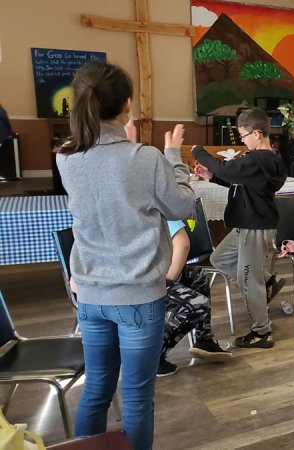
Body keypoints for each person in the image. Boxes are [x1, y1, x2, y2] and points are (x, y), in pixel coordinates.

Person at [57, 61, 195, 450]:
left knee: (97, 388)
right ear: (127, 105)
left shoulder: (66, 157)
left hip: (90, 295)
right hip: (138, 296)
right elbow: (182, 206)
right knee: (135, 396)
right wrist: (173, 155)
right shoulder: (146, 159)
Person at [193, 108, 287, 349]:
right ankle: (267, 281)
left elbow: (228, 170)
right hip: (247, 225)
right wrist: (211, 177)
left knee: (248, 281)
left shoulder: (260, 159)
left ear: (257, 134)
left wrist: (198, 152)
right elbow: (241, 182)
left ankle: (262, 332)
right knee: (219, 258)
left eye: (243, 135)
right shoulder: (263, 159)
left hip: (254, 226)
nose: (242, 141)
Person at [158, 220, 232, 376]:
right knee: (198, 304)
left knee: (198, 277)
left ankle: (204, 339)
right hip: (143, 283)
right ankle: (153, 356)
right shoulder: (159, 209)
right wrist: (169, 279)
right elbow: (183, 244)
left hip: (149, 274)